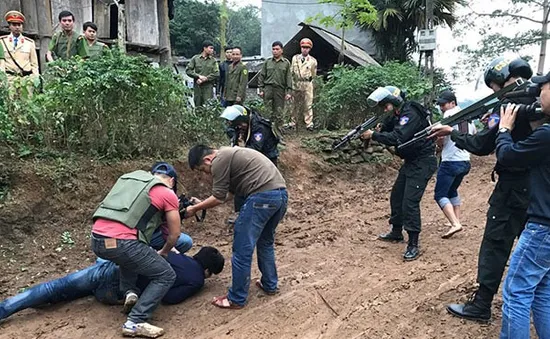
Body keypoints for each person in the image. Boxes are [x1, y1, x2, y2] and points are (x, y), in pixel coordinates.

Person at [429, 57, 537, 322]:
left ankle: (481, 305)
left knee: (496, 242)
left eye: (493, 87)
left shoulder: (511, 104)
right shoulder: (536, 100)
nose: (493, 93)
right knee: (536, 243)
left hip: (513, 187)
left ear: (501, 80)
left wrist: (452, 133)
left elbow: (482, 143)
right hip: (539, 185)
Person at [0, 247, 225, 323]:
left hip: (113, 268)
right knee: (84, 292)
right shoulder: (196, 280)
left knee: (56, 287)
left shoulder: (176, 255)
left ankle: (6, 308)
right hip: (115, 291)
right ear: (209, 271)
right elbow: (169, 298)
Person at [185, 145, 288, 309]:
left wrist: (195, 209)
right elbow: (227, 195)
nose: (206, 174)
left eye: (203, 170)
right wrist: (201, 205)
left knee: (241, 249)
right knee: (265, 242)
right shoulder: (231, 155)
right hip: (280, 196)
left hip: (261, 197)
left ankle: (236, 298)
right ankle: (270, 284)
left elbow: (218, 197)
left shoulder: (219, 160)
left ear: (207, 159)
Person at [91, 162, 181, 338]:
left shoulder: (132, 181)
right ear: (171, 180)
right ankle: (136, 321)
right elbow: (175, 234)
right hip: (123, 243)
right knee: (165, 275)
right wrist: (164, 251)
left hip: (97, 240)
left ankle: (129, 292)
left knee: (132, 256)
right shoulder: (167, 192)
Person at [496, 73, 550, 339]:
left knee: (516, 291)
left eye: (543, 88)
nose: (539, 93)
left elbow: (509, 156)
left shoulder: (548, 135)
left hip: (543, 228)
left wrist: (505, 129)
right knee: (542, 291)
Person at [360, 86, 437, 261]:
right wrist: (377, 129)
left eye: (385, 105)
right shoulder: (397, 115)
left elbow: (398, 137)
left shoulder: (410, 112)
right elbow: (388, 129)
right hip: (411, 161)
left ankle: (413, 243)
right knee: (397, 196)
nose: (384, 109)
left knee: (410, 202)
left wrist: (374, 135)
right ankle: (396, 231)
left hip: (423, 161)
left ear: (394, 102)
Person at [434, 90, 476, 239]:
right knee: (452, 190)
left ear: (453, 103)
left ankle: (454, 223)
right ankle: (456, 220)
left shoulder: (449, 116)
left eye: (443, 104)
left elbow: (440, 138)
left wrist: (438, 145)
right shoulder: (469, 116)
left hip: (450, 161)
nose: (442, 107)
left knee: (440, 194)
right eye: (439, 105)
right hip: (465, 160)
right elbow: (474, 134)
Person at [258, 41, 292, 135]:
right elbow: (262, 76)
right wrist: (261, 89)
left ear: (281, 50)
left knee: (279, 112)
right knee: (267, 111)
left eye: (277, 49)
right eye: (273, 49)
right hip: (268, 89)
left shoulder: (286, 63)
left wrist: (289, 92)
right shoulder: (267, 62)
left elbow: (288, 78)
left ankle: (278, 134)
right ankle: (266, 132)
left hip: (279, 90)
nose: (275, 51)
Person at [0, 11, 39, 80]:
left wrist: (35, 78)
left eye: (19, 25)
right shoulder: (2, 42)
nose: (17, 27)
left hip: (26, 80)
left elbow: (34, 64)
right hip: (9, 79)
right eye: (14, 25)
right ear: (9, 26)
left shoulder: (29, 43)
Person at [290, 38, 317, 131]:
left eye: (307, 48)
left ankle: (309, 124)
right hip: (296, 83)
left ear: (309, 49)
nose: (305, 49)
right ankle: (293, 122)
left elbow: (314, 74)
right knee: (294, 104)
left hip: (307, 83)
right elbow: (291, 72)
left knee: (308, 104)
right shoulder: (295, 58)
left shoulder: (312, 61)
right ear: (300, 48)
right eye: (303, 47)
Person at [186, 41, 220, 107]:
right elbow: (188, 70)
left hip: (208, 88)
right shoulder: (195, 59)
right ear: (205, 48)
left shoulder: (213, 61)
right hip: (197, 87)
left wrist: (205, 79)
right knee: (198, 106)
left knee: (208, 106)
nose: (212, 50)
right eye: (210, 48)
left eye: (212, 49)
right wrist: (198, 76)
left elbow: (216, 73)